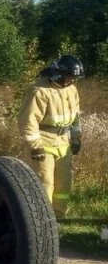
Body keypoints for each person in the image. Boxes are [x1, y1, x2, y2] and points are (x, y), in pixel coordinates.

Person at [18, 55, 83, 218]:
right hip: (43, 142)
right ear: (58, 73)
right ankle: (42, 219)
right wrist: (35, 145)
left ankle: (58, 216)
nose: (71, 80)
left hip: (63, 142)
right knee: (45, 182)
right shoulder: (40, 91)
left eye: (74, 78)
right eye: (69, 77)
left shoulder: (72, 89)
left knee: (64, 183)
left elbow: (75, 117)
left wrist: (75, 138)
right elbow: (28, 119)